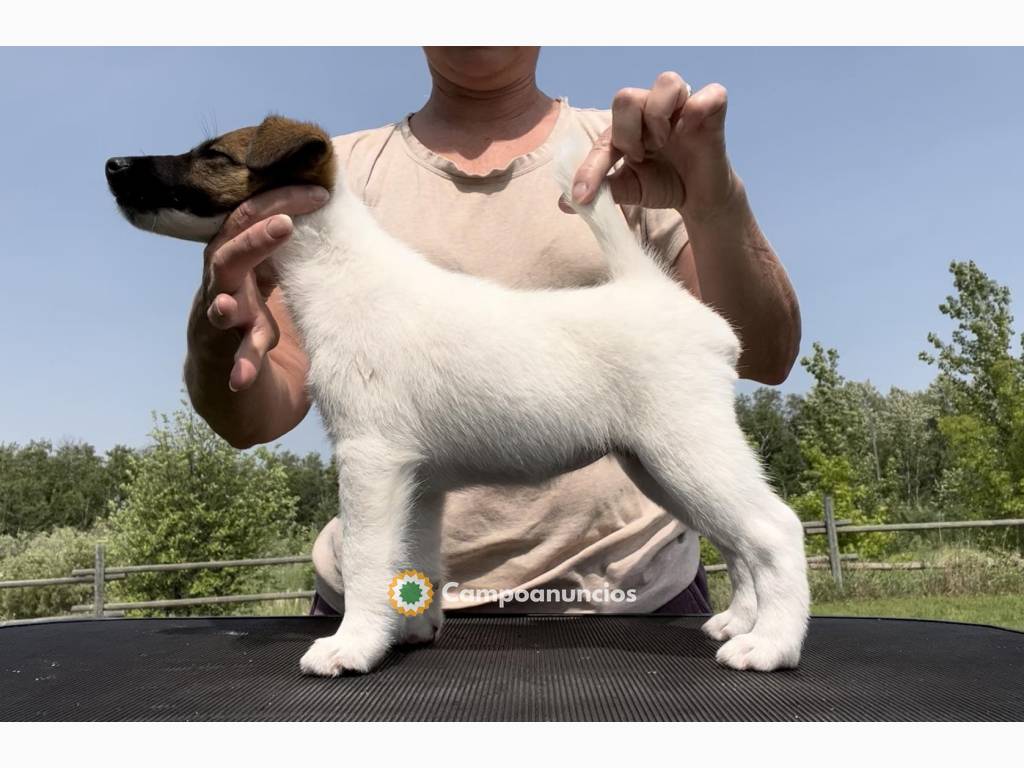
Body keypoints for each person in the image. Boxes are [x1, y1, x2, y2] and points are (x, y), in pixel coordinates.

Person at [184, 47, 801, 617]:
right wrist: (217, 331)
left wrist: (714, 199)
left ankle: (771, 582)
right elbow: (259, 412)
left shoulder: (625, 153)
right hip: (403, 601)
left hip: (632, 601)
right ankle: (405, 611)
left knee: (722, 496)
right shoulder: (328, 181)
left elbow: (764, 355)